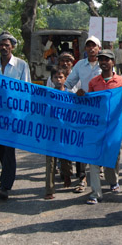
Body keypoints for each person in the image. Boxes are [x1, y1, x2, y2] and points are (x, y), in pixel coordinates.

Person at [0, 31, 31, 200]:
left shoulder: (21, 65)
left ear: (12, 47)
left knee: (9, 147)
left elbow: (26, 89)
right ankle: (7, 173)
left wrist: (23, 114)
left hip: (13, 114)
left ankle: (5, 185)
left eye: (7, 45)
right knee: (1, 147)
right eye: (1, 44)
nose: (4, 47)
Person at [85, 49, 122, 205]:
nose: (104, 62)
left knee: (112, 156)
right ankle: (95, 193)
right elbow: (89, 105)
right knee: (93, 158)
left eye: (107, 59)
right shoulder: (93, 82)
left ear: (113, 62)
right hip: (97, 126)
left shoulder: (121, 82)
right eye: (101, 59)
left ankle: (113, 180)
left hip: (113, 127)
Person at [65, 35, 102, 193]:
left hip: (100, 109)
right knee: (81, 142)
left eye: (94, 46)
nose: (91, 48)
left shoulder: (105, 63)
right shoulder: (79, 65)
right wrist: (75, 94)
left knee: (98, 140)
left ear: (99, 48)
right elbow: (68, 84)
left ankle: (98, 167)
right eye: (88, 46)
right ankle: (82, 177)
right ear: (85, 49)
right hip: (82, 109)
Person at [44, 66, 73, 199]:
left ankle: (67, 175)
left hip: (66, 131)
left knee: (66, 156)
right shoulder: (48, 95)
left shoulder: (70, 96)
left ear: (65, 78)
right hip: (51, 131)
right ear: (51, 79)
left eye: (61, 77)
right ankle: (50, 189)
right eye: (55, 77)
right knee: (50, 160)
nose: (58, 79)